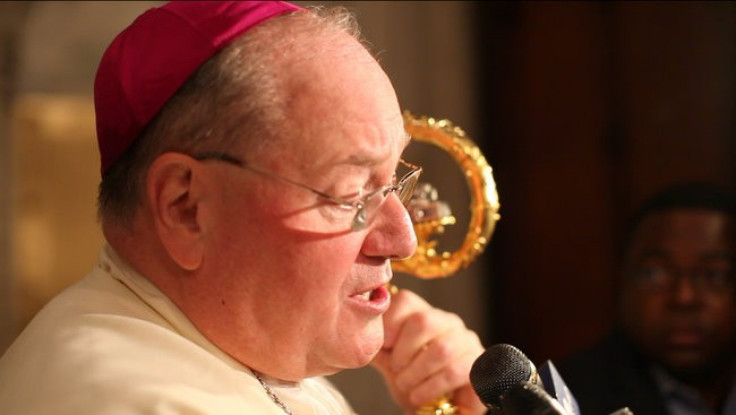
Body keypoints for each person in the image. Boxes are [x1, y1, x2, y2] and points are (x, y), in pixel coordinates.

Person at [0, 2, 487, 414]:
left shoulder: (234, 353)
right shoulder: (140, 400)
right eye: (350, 192)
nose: (401, 241)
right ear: (186, 207)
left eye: (393, 181)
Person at [557, 183, 736, 415]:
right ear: (623, 280)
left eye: (714, 275)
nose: (684, 297)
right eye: (655, 274)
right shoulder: (566, 398)